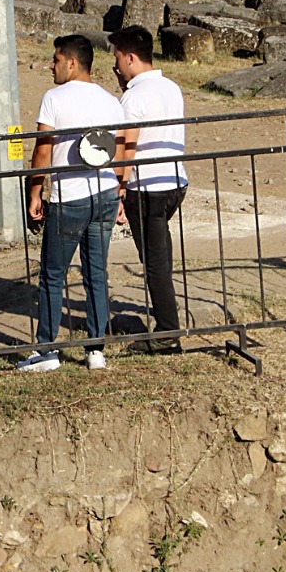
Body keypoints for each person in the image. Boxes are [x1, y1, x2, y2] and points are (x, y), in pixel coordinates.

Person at [20, 35, 127, 373]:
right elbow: (120, 150)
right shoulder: (112, 101)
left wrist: (36, 189)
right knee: (96, 271)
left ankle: (47, 350)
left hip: (71, 197)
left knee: (53, 275)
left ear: (72, 62)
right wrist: (120, 191)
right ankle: (95, 348)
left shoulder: (54, 98)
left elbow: (42, 149)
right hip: (106, 192)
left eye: (55, 59)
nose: (50, 66)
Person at [109, 24, 188, 353]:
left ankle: (168, 331)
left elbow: (126, 148)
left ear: (129, 58)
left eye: (117, 59)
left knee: (154, 260)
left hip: (147, 187)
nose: (115, 66)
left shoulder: (134, 97)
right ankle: (166, 307)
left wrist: (118, 191)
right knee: (161, 254)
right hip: (174, 181)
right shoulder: (171, 87)